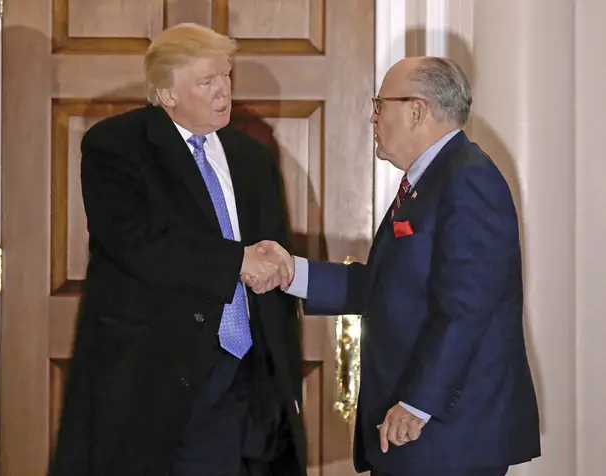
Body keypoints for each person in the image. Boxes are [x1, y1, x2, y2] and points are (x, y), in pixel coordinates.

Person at [248, 57, 541, 476]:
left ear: (417, 109)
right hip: (423, 432)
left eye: (380, 103)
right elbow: (391, 285)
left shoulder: (466, 178)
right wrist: (292, 272)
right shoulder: (432, 179)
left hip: (445, 435)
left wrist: (418, 403)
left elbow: (467, 307)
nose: (373, 115)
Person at [49, 23, 305, 476]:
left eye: (226, 77)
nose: (223, 91)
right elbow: (136, 244)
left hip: (247, 381)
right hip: (158, 379)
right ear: (166, 93)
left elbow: (269, 254)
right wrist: (237, 261)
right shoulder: (117, 146)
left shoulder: (252, 156)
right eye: (207, 82)